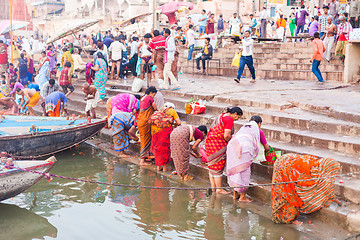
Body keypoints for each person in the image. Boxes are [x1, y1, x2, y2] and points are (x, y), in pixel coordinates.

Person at [271, 153, 341, 225]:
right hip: (286, 166)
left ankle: (280, 214)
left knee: (283, 191)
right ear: (329, 168)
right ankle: (288, 218)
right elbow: (317, 188)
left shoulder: (315, 162)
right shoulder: (316, 172)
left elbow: (326, 190)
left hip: (282, 160)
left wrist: (334, 199)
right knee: (290, 194)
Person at [227, 115, 269, 203]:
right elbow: (266, 146)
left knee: (235, 171)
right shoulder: (258, 130)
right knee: (244, 172)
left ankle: (235, 195)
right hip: (245, 149)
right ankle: (242, 197)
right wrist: (267, 150)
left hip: (233, 146)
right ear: (259, 123)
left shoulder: (244, 128)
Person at [205, 107, 243, 194]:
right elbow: (226, 135)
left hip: (210, 143)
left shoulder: (221, 116)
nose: (237, 119)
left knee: (211, 166)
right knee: (218, 167)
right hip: (218, 145)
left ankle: (213, 188)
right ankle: (219, 189)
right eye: (238, 117)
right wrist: (233, 141)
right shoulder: (229, 119)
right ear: (235, 114)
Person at [150, 102, 181, 171]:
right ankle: (165, 168)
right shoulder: (172, 111)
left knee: (158, 149)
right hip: (165, 132)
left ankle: (158, 167)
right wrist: (175, 124)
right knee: (165, 149)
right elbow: (179, 122)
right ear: (171, 107)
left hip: (155, 132)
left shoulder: (160, 111)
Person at [137, 86, 158, 166]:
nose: (154, 96)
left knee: (144, 138)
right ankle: (142, 161)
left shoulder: (142, 97)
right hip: (145, 121)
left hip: (140, 121)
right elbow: (155, 108)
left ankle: (147, 157)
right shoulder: (149, 98)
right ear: (151, 92)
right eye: (154, 95)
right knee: (145, 140)